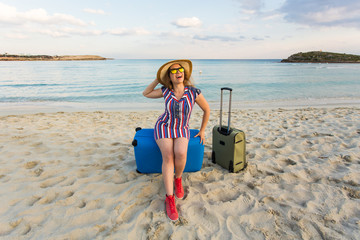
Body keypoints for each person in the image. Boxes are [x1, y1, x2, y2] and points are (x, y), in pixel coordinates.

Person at [143, 59, 210, 221]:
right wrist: (157, 80)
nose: (177, 72)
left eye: (179, 69)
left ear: (184, 73)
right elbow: (146, 93)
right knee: (168, 156)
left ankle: (178, 178)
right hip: (164, 126)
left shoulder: (194, 92)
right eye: (173, 71)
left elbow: (206, 110)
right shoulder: (165, 91)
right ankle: (170, 198)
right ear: (169, 77)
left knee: (180, 153)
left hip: (182, 128)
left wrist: (202, 131)